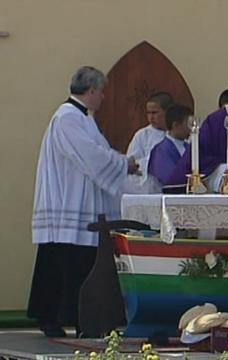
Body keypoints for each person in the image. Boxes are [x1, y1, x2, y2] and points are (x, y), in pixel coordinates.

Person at [28, 66, 139, 337]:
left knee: (72, 264)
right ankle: (53, 318)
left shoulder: (82, 118)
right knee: (62, 265)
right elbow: (93, 157)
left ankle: (76, 319)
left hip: (79, 202)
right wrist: (124, 164)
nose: (103, 97)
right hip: (67, 204)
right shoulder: (67, 118)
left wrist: (121, 163)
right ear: (90, 90)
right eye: (101, 92)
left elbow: (99, 152)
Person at [124, 92, 173, 193]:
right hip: (149, 188)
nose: (151, 117)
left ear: (167, 112)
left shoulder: (178, 132)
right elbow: (132, 162)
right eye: (148, 113)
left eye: (155, 113)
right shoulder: (142, 135)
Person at [148, 104, 193, 191]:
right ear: (175, 125)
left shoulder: (189, 147)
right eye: (188, 124)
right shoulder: (160, 150)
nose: (191, 129)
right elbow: (168, 178)